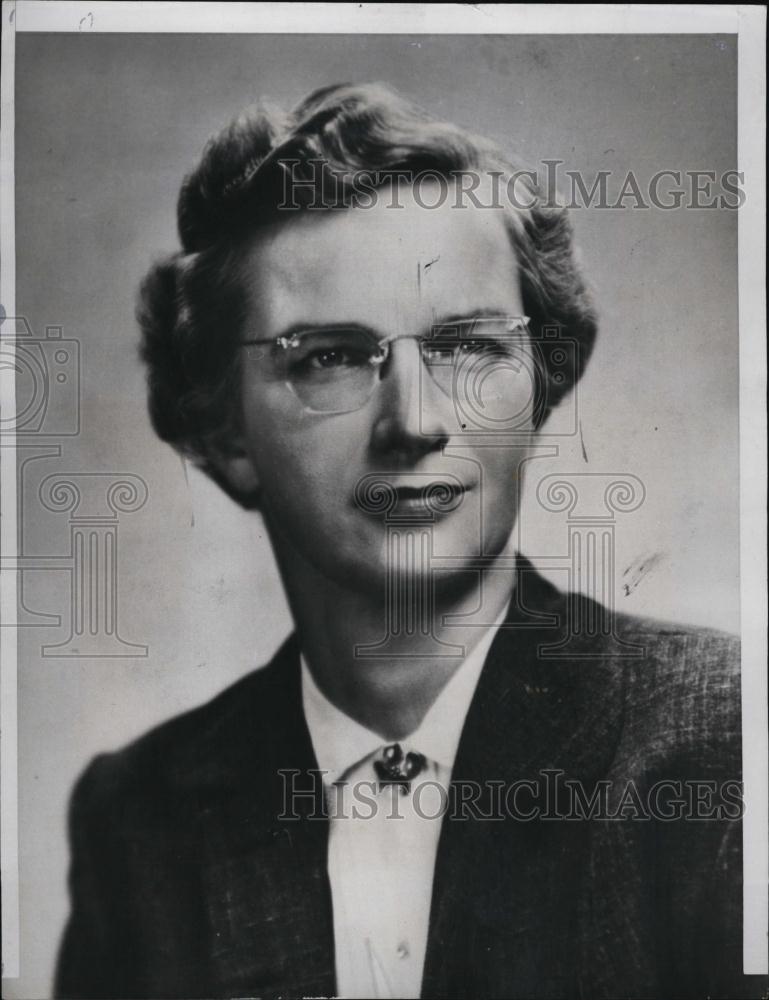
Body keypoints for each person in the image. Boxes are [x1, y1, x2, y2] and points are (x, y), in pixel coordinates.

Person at [55, 83, 755, 1000]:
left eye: (467, 346)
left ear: (536, 386)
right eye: (329, 358)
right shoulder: (138, 818)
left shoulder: (725, 740)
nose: (415, 422)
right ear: (222, 429)